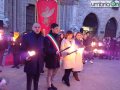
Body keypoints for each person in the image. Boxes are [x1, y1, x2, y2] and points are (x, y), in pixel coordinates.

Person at [20, 23, 45, 90]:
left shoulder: (43, 38)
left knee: (36, 81)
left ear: (40, 28)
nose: (37, 28)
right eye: (35, 27)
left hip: (39, 63)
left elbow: (44, 50)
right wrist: (25, 57)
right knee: (29, 81)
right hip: (30, 62)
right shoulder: (27, 36)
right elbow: (22, 49)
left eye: (38, 27)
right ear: (32, 28)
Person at [44, 23, 60, 90]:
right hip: (50, 58)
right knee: (49, 73)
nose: (57, 30)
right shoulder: (47, 38)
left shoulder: (57, 37)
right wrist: (55, 52)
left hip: (56, 58)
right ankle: (49, 86)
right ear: (52, 29)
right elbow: (47, 49)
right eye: (56, 28)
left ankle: (51, 83)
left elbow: (58, 47)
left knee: (54, 72)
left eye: (58, 28)